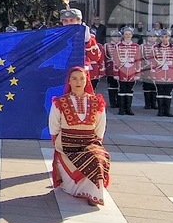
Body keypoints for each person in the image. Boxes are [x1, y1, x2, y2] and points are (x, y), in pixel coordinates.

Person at [49, 66, 111, 207]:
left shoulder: (96, 101)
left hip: (89, 143)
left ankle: (94, 195)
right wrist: (60, 145)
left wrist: (96, 143)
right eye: (74, 78)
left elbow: (100, 127)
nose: (78, 82)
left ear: (87, 80)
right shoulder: (60, 102)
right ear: (69, 82)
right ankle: (77, 189)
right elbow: (54, 127)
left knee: (97, 157)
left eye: (82, 78)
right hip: (67, 145)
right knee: (90, 158)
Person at [150, 30, 173, 117]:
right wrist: (153, 73)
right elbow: (152, 61)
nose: (164, 39)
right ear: (160, 38)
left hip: (170, 72)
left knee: (168, 92)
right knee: (160, 92)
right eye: (162, 37)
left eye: (166, 37)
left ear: (169, 37)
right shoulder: (155, 47)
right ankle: (160, 111)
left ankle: (167, 111)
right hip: (159, 72)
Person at [112, 27, 140, 115]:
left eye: (129, 34)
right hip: (122, 71)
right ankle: (121, 109)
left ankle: (128, 108)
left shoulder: (136, 46)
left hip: (132, 71)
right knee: (122, 89)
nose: (128, 36)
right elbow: (115, 60)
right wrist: (116, 72)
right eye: (126, 34)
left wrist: (137, 73)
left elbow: (138, 60)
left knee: (130, 90)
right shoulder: (118, 46)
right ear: (123, 35)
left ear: (132, 35)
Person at [103, 30, 121, 109]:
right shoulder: (107, 45)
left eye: (118, 37)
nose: (116, 38)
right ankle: (112, 102)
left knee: (120, 86)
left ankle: (119, 102)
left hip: (121, 69)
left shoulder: (122, 45)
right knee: (112, 86)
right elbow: (104, 57)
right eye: (114, 36)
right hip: (110, 68)